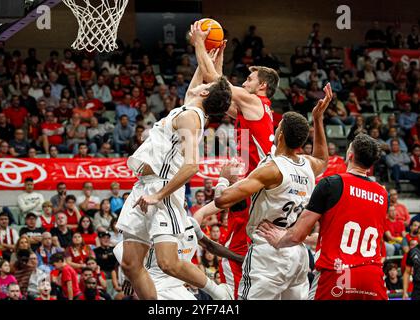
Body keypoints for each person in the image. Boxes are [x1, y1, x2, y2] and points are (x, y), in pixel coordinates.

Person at [116, 40, 233, 300]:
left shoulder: (191, 118)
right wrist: (209, 53)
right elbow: (207, 81)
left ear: (204, 94)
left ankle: (219, 292)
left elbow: (192, 166)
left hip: (162, 189)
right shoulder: (190, 107)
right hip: (144, 186)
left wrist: (158, 195)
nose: (200, 82)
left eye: (205, 85)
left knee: (167, 262)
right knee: (130, 265)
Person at [212, 81, 330, 299]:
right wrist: (318, 118)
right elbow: (322, 158)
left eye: (278, 127)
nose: (275, 128)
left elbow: (222, 201)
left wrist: (223, 179)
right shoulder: (307, 165)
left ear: (281, 135)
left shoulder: (270, 170)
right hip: (296, 252)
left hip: (268, 252)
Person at [190, 21, 280, 296]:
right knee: (242, 241)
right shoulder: (252, 109)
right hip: (256, 186)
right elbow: (218, 88)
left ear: (262, 85)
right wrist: (215, 57)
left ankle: (232, 295)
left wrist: (199, 43)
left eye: (249, 80)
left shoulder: (255, 103)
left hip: (256, 186)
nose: (244, 82)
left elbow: (215, 82)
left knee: (236, 249)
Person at [258, 134, 389, 300]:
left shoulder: (331, 184)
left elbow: (297, 235)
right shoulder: (383, 194)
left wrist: (279, 240)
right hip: (372, 276)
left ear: (350, 155)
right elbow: (342, 237)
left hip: (338, 274)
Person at [114, 217, 243, 300]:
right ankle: (218, 293)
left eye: (183, 200)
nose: (182, 202)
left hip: (179, 286)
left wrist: (240, 258)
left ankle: (218, 293)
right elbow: (124, 249)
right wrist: (129, 277)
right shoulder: (153, 225)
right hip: (156, 286)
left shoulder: (191, 223)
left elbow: (210, 245)